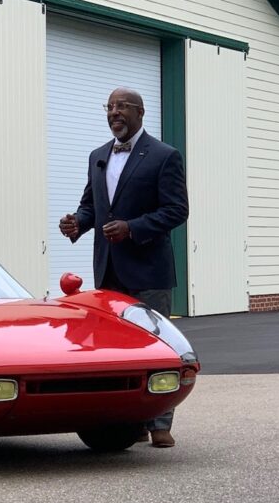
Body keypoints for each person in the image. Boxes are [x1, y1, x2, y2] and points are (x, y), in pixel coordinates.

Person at [58, 87, 189, 448]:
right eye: (110, 107)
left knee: (156, 346)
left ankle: (160, 422)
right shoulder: (98, 156)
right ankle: (128, 421)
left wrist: (133, 228)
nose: (115, 113)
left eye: (122, 107)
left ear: (140, 113)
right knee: (115, 350)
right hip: (109, 271)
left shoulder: (164, 156)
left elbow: (177, 210)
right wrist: (77, 223)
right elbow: (92, 206)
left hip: (149, 271)